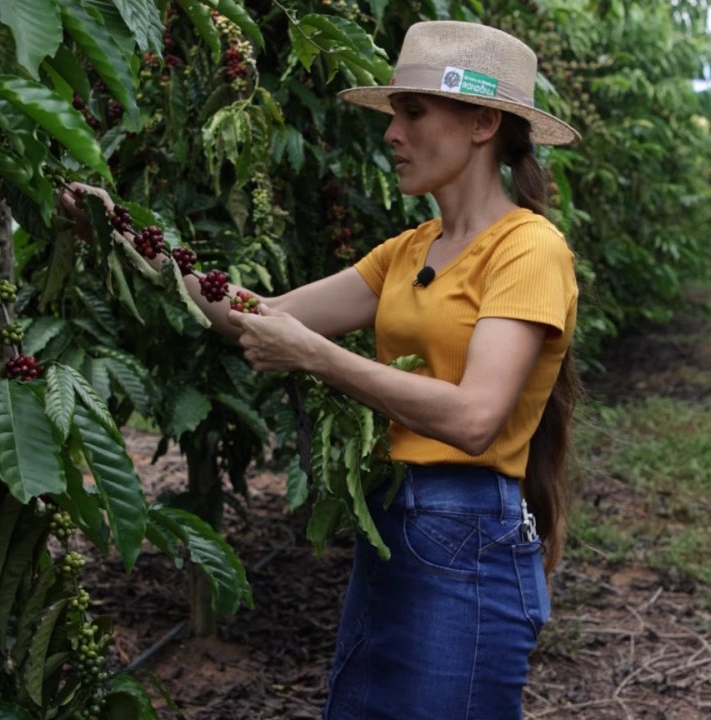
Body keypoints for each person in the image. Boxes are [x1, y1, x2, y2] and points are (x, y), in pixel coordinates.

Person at [65, 19, 580, 720]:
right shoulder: (407, 250)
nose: (392, 134)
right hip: (396, 521)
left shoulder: (529, 250)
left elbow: (473, 418)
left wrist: (315, 357)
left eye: (413, 112)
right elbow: (261, 312)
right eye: (395, 113)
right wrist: (133, 243)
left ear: (484, 121)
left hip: (468, 540)